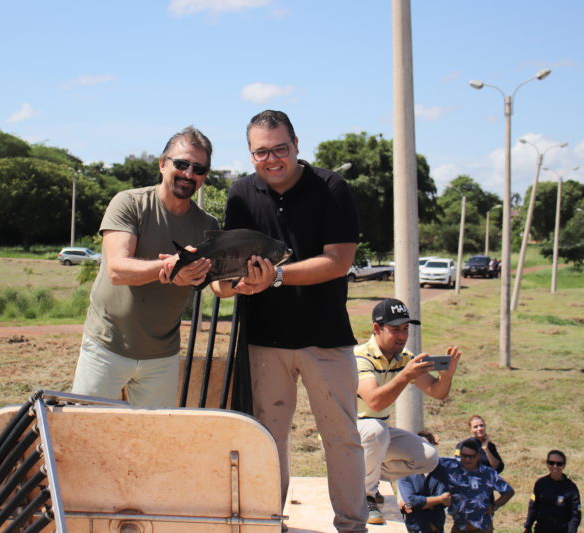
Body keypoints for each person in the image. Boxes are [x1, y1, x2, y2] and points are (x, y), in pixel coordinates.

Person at [211, 110, 366, 533]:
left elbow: (338, 261)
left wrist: (275, 277)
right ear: (250, 153)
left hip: (326, 337)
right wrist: (233, 284)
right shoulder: (240, 193)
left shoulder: (332, 187)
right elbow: (232, 264)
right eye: (262, 151)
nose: (273, 158)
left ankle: (352, 526)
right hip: (265, 340)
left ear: (297, 145)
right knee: (267, 441)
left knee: (342, 438)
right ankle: (267, 523)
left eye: (281, 148)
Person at [71, 126, 218, 408]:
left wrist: (254, 278)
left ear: (205, 176)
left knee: (151, 444)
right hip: (106, 346)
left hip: (162, 356)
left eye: (198, 168)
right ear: (163, 164)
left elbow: (213, 281)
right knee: (84, 433)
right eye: (182, 164)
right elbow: (117, 270)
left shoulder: (208, 226)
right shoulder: (129, 203)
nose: (189, 174)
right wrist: (173, 267)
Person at [355, 298, 461, 525]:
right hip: (347, 433)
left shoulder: (404, 358)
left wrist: (447, 376)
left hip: (377, 433)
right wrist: (405, 376)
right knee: (375, 430)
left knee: (429, 457)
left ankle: (364, 479)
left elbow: (436, 391)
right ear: (377, 329)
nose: (403, 336)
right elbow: (375, 402)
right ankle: (365, 495)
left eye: (406, 329)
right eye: (395, 330)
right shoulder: (360, 356)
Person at [440, 437, 514, 533]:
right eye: (464, 455)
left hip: (482, 528)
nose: (467, 459)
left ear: (478, 456)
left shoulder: (488, 473)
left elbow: (508, 492)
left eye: (471, 456)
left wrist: (495, 506)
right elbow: (428, 459)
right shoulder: (452, 468)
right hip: (459, 527)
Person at [397, 432, 451, 533]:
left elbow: (445, 500)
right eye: (419, 446)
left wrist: (416, 504)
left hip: (436, 528)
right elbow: (411, 501)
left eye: (426, 446)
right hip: (414, 528)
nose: (422, 450)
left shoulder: (442, 471)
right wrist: (438, 499)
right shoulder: (405, 472)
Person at [523, 449, 581, 533]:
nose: (555, 466)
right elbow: (533, 507)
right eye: (551, 463)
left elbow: (575, 515)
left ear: (564, 466)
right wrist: (527, 526)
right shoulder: (540, 484)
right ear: (547, 464)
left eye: (559, 464)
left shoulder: (571, 488)